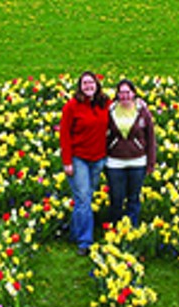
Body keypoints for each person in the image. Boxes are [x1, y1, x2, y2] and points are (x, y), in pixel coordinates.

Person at [59, 71, 109, 255]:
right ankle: (85, 241)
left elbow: (122, 110)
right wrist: (67, 162)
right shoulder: (72, 107)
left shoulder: (104, 103)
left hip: (98, 157)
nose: (89, 86)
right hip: (78, 158)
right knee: (83, 199)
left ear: (97, 85)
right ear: (80, 86)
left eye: (92, 83)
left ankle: (74, 231)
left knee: (86, 196)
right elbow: (64, 134)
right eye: (85, 83)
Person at [105, 79, 157, 228]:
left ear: (133, 93)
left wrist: (151, 162)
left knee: (133, 197)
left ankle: (131, 229)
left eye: (127, 92)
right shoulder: (110, 110)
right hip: (115, 161)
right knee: (116, 197)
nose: (125, 96)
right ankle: (115, 227)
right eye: (121, 92)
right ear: (117, 94)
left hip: (138, 161)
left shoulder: (142, 111)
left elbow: (150, 137)